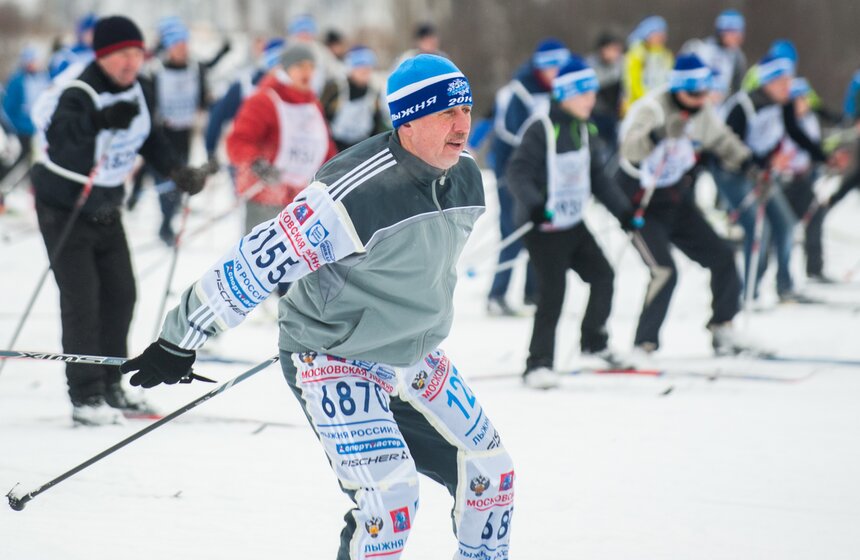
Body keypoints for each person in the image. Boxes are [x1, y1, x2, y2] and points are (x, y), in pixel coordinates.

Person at [121, 53, 515, 560]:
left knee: (492, 472)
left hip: (413, 355)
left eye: (466, 111)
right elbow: (256, 263)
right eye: (447, 114)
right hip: (332, 357)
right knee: (390, 500)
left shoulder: (465, 176)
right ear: (408, 120)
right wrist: (179, 340)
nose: (464, 127)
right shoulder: (350, 194)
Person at [30, 15, 210, 426]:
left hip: (107, 206)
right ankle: (86, 395)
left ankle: (112, 384)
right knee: (83, 301)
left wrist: (178, 172)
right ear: (103, 56)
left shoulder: (141, 86)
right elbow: (61, 140)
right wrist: (99, 121)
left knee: (122, 293)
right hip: (65, 207)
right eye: (122, 55)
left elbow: (150, 138)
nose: (132, 63)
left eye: (137, 53)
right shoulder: (80, 90)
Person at [506, 55, 638, 389]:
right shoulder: (541, 128)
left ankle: (594, 340)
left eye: (592, 93)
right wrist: (535, 205)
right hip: (543, 228)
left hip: (573, 223)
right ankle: (537, 364)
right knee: (553, 294)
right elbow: (517, 172)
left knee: (603, 276)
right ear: (565, 95)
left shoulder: (584, 128)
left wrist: (623, 211)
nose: (591, 100)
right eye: (584, 94)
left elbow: (597, 178)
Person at [615, 54, 754, 355]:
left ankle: (722, 327)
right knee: (665, 271)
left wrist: (747, 162)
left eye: (704, 93)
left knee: (723, 257)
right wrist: (659, 134)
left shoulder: (703, 111)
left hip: (676, 201)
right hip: (643, 205)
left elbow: (721, 140)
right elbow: (629, 148)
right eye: (693, 94)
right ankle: (644, 343)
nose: (700, 100)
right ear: (678, 89)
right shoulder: (651, 108)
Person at [714, 52, 829, 303]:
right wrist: (764, 163)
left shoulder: (784, 104)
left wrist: (824, 156)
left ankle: (785, 285)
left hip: (762, 172)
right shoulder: (744, 106)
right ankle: (748, 292)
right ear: (769, 82)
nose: (789, 87)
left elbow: (796, 133)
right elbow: (727, 148)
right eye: (784, 82)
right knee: (758, 230)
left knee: (785, 224)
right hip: (732, 174)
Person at [226, 43, 337, 295]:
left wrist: (336, 170)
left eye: (311, 66)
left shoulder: (312, 104)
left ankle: (283, 300)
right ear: (285, 68)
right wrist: (257, 163)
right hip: (266, 191)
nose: (307, 72)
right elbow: (238, 141)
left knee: (295, 256)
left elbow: (324, 144)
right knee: (261, 256)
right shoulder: (263, 100)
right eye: (300, 66)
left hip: (300, 194)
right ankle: (247, 299)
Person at [486, 38, 571, 316]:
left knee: (539, 229)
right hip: (512, 170)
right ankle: (496, 295)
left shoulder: (559, 90)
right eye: (551, 68)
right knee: (512, 231)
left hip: (539, 172)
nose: (555, 73)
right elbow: (514, 132)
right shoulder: (520, 90)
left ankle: (533, 293)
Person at [127, 17, 212, 244]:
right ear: (168, 46)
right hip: (162, 132)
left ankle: (165, 216)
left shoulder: (196, 68)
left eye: (184, 44)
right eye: (177, 45)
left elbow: (203, 98)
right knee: (165, 178)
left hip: (185, 132)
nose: (182, 49)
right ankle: (165, 224)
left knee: (180, 175)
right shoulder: (155, 70)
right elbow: (147, 102)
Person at [778, 78, 831, 282]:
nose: (805, 103)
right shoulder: (784, 120)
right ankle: (773, 278)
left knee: (815, 215)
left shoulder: (809, 120)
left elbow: (814, 147)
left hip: (803, 179)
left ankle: (813, 269)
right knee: (781, 228)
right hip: (785, 181)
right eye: (800, 99)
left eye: (806, 99)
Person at [204, 37, 285, 164]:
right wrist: (211, 153)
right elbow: (217, 117)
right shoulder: (246, 86)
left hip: (282, 162)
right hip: (249, 161)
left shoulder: (295, 92)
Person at [1, 46, 50, 194]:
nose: (35, 63)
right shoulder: (17, 80)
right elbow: (7, 108)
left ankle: (29, 195)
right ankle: (4, 191)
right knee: (13, 162)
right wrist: (12, 130)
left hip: (38, 131)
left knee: (35, 164)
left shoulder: (43, 78)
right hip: (20, 131)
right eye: (32, 60)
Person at [321, 45, 388, 151]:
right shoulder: (336, 88)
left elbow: (377, 121)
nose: (364, 72)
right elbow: (322, 116)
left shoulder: (374, 91)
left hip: (361, 147)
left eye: (367, 68)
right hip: (335, 145)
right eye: (360, 68)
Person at [681, 9, 747, 101]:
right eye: (732, 33)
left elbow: (736, 89)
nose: (737, 38)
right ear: (721, 32)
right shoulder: (700, 48)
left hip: (721, 109)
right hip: (697, 103)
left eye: (739, 33)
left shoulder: (737, 57)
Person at [622, 15, 673, 114]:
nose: (661, 38)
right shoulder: (637, 53)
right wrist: (647, 101)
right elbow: (633, 82)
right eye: (657, 34)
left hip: (661, 105)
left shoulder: (666, 55)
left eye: (662, 34)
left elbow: (669, 79)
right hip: (637, 106)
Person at [586, 32, 624, 150]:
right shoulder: (590, 66)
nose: (616, 54)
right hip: (596, 116)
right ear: (603, 49)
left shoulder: (621, 65)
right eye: (613, 50)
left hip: (614, 116)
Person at [48, 12, 97, 78]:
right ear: (81, 32)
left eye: (94, 32)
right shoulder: (69, 54)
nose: (91, 36)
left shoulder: (97, 53)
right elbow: (55, 76)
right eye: (89, 32)